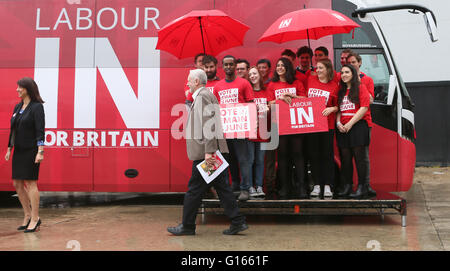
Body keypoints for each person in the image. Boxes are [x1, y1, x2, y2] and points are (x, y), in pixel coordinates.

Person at [167, 69, 248, 235]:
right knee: (222, 187)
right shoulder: (203, 95)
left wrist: (210, 151)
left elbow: (210, 124)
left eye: (189, 81)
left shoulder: (202, 96)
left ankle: (187, 226)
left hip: (206, 154)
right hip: (210, 152)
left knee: (194, 190)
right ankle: (237, 221)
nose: (187, 84)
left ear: (196, 81)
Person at [5, 77, 45, 233]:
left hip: (31, 150)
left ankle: (35, 218)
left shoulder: (37, 107)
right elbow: (13, 129)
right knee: (17, 183)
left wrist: (40, 151)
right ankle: (27, 215)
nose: (17, 90)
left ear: (27, 89)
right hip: (19, 150)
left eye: (20, 87)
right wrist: (9, 148)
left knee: (31, 183)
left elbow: (40, 130)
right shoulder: (18, 107)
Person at [213, 55, 255, 201]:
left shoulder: (244, 83)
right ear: (222, 67)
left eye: (231, 65)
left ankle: (245, 188)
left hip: (241, 129)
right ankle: (235, 184)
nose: (229, 67)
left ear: (235, 66)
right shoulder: (218, 86)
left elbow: (251, 104)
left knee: (243, 160)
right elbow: (216, 108)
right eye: (226, 65)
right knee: (229, 159)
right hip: (225, 129)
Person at [266, 57, 307, 199]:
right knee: (282, 157)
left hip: (296, 124)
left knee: (298, 155)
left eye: (282, 65)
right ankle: (285, 187)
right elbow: (269, 103)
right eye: (277, 65)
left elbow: (306, 100)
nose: (279, 67)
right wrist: (281, 99)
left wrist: (293, 96)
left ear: (288, 67)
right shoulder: (272, 84)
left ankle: (302, 187)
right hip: (278, 124)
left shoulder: (297, 83)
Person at [335, 65, 373, 199]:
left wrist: (350, 123)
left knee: (360, 159)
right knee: (345, 159)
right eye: (342, 72)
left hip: (358, 126)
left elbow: (364, 108)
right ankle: (347, 186)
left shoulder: (361, 88)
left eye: (347, 72)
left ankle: (362, 187)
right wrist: (339, 123)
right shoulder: (341, 91)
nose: (344, 75)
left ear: (353, 74)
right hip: (342, 128)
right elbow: (338, 109)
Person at [305, 59, 339, 198]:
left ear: (328, 70)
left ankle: (327, 185)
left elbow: (338, 106)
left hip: (328, 125)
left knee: (327, 155)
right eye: (317, 68)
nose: (317, 70)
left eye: (320, 68)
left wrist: (332, 108)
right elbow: (305, 98)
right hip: (312, 125)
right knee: (314, 155)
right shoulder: (311, 80)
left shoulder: (334, 86)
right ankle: (317, 185)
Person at [247, 67, 271, 198]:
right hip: (250, 131)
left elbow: (273, 106)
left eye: (254, 73)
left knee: (260, 160)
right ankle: (250, 187)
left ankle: (259, 186)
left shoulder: (266, 90)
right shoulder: (247, 91)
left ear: (259, 75)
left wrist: (268, 108)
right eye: (250, 74)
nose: (252, 76)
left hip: (263, 131)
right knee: (249, 160)